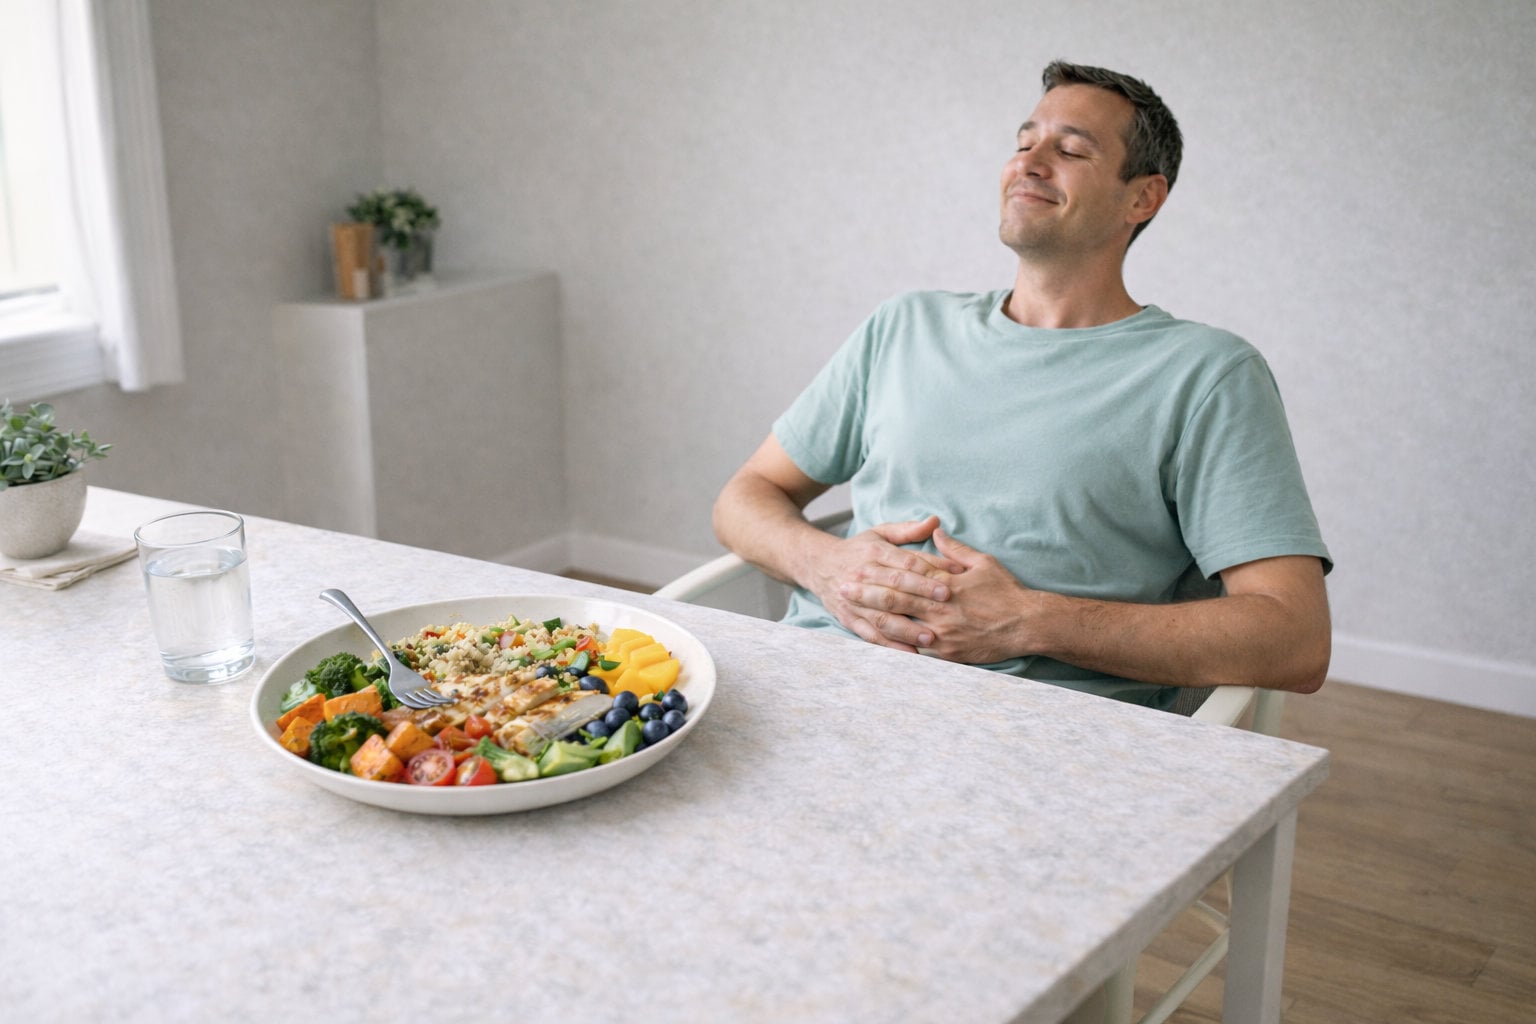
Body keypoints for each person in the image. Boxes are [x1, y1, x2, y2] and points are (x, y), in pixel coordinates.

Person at [711, 60, 1333, 709]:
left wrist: (1028, 620)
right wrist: (827, 565)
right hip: (815, 684)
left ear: (1141, 198)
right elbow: (744, 497)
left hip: (1031, 736)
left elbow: (1295, 640)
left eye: (1069, 149)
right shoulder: (904, 325)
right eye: (1023, 142)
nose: (1030, 162)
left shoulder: (1209, 375)